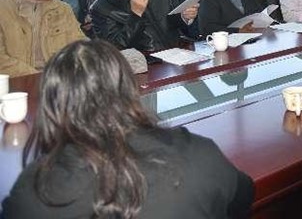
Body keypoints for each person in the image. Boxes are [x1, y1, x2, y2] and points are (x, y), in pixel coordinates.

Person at [3, 40, 254, 218]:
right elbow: (242, 198)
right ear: (130, 90)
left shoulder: (33, 192)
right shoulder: (199, 154)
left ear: (51, 106)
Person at [0, 0, 86, 77]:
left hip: (59, 79)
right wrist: (40, 77)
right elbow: (2, 61)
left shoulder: (62, 9)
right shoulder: (3, 10)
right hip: (16, 82)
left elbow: (79, 45)